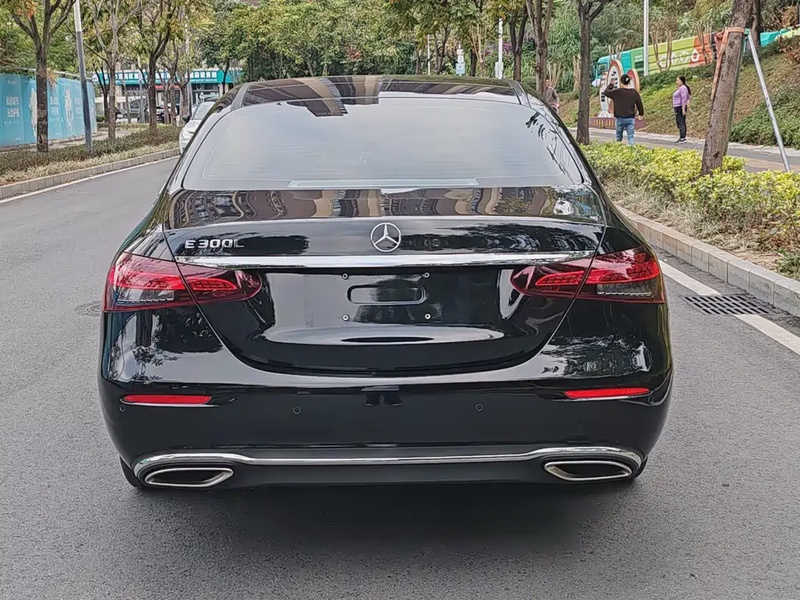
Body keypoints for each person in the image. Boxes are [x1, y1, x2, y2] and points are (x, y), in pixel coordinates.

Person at [604, 74, 644, 146]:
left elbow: (606, 92)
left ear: (621, 82)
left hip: (620, 118)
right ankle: (632, 149)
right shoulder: (634, 92)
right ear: (629, 82)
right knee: (630, 136)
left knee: (619, 136)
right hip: (630, 118)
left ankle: (618, 148)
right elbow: (639, 104)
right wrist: (641, 114)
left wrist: (611, 85)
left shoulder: (617, 92)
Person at [673, 76, 691, 143]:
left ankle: (683, 138)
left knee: (681, 122)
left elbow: (684, 98)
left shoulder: (683, 88)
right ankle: (681, 137)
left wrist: (683, 108)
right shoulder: (681, 88)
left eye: (678, 80)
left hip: (680, 107)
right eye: (676, 80)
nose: (677, 82)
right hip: (677, 107)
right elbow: (688, 97)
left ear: (682, 81)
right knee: (679, 122)